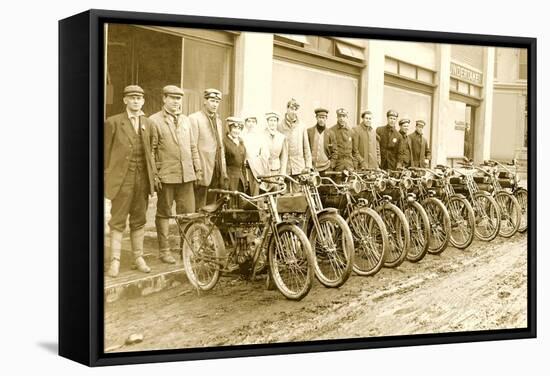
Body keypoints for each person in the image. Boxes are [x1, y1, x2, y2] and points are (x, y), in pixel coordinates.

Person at [104, 85, 157, 277]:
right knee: (117, 221)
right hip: (121, 181)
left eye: (139, 98)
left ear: (143, 101)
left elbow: (150, 152)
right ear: (125, 100)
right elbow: (104, 156)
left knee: (139, 219)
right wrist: (107, 179)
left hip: (142, 180)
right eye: (132, 97)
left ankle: (138, 258)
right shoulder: (113, 122)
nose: (136, 101)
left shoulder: (148, 123)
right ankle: (115, 261)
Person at [149, 85, 202, 264]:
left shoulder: (186, 121)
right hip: (166, 175)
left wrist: (198, 168)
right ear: (164, 99)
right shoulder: (154, 120)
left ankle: (185, 249)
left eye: (178, 98)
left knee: (188, 213)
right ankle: (164, 251)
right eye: (172, 98)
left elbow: (193, 146)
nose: (176, 102)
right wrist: (155, 175)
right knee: (164, 212)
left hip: (187, 175)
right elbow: (151, 150)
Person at [189, 88, 229, 209]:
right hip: (202, 170)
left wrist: (223, 171)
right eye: (212, 100)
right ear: (205, 101)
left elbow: (220, 147)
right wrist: (197, 170)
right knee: (199, 206)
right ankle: (197, 228)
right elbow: (192, 146)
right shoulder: (194, 118)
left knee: (212, 207)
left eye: (217, 102)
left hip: (216, 172)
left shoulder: (218, 120)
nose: (215, 104)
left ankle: (208, 228)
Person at [278, 98, 312, 176]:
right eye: (292, 109)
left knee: (298, 188)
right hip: (284, 168)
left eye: (295, 110)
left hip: (299, 167)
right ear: (287, 109)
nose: (294, 112)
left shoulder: (302, 126)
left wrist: (308, 166)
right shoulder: (279, 126)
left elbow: (306, 148)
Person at [241, 114, 269, 196]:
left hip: (257, 167)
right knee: (245, 189)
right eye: (249, 121)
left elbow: (265, 153)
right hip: (244, 166)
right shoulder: (241, 136)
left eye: (253, 121)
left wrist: (257, 162)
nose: (251, 124)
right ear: (245, 123)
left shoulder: (260, 137)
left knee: (255, 190)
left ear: (256, 123)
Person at [223, 117, 248, 194]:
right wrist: (224, 180)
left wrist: (245, 179)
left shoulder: (241, 142)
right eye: (234, 128)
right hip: (230, 178)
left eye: (239, 128)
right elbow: (222, 163)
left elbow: (243, 164)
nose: (237, 131)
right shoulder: (224, 141)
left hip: (240, 179)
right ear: (229, 128)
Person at [307, 108, 331, 173]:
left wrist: (331, 165)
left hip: (326, 168)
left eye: (323, 117)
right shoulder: (309, 131)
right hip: (312, 168)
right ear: (316, 118)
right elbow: (305, 148)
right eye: (319, 117)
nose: (321, 120)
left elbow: (335, 152)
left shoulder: (330, 133)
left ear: (326, 118)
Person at [264, 112, 288, 176]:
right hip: (263, 170)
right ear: (267, 122)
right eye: (271, 120)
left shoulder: (282, 137)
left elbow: (284, 157)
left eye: (275, 121)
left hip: (276, 170)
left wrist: (282, 174)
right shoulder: (261, 135)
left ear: (277, 122)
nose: (272, 123)